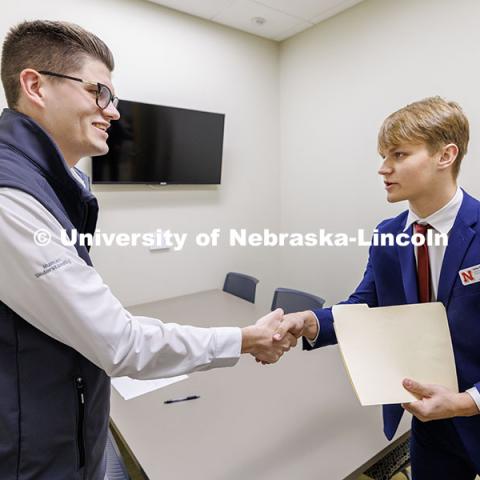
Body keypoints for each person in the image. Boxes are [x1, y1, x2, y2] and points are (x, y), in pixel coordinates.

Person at [0, 20, 296, 480]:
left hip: (60, 427)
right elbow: (121, 343)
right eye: (99, 93)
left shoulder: (48, 186)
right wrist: (245, 338)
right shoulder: (11, 198)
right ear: (35, 85)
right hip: (35, 450)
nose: (113, 112)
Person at [275, 97, 480, 479]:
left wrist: (468, 401)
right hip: (426, 418)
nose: (384, 168)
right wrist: (309, 321)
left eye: (399, 154)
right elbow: (363, 305)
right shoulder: (388, 234)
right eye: (384, 155)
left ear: (445, 155)